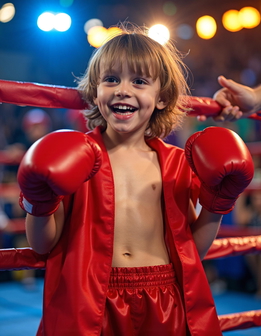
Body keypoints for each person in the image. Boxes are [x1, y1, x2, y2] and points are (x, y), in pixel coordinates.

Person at [17, 26, 254, 336]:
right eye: (111, 79)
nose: (122, 90)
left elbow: (192, 249)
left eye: (139, 81)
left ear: (162, 97)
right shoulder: (75, 158)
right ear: (95, 89)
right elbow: (42, 243)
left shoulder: (176, 163)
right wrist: (39, 202)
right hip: (92, 297)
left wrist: (218, 204)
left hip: (164, 294)